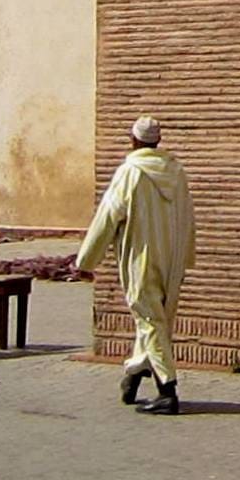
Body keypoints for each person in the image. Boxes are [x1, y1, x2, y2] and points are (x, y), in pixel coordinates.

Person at [77, 117, 195, 413]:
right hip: (172, 256)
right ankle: (133, 374)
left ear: (134, 141)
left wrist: (86, 260)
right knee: (157, 319)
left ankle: (167, 391)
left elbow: (108, 216)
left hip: (141, 257)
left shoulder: (130, 172)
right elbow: (188, 214)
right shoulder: (177, 171)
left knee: (150, 320)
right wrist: (186, 255)